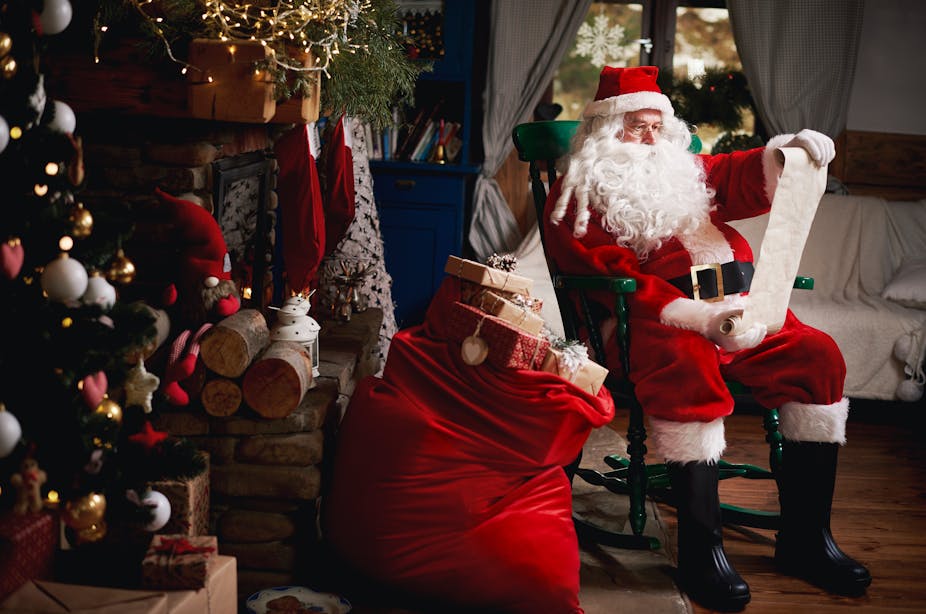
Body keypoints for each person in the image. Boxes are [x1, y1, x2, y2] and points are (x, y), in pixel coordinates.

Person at [543, 65, 871, 612]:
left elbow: (743, 175)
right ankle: (703, 551)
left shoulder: (689, 171)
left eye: (655, 125)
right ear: (604, 131)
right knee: (686, 363)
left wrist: (789, 152)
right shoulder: (581, 188)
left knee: (818, 356)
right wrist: (692, 315)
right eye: (634, 126)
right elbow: (598, 268)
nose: (649, 138)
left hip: (740, 311)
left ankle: (806, 539)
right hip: (652, 320)